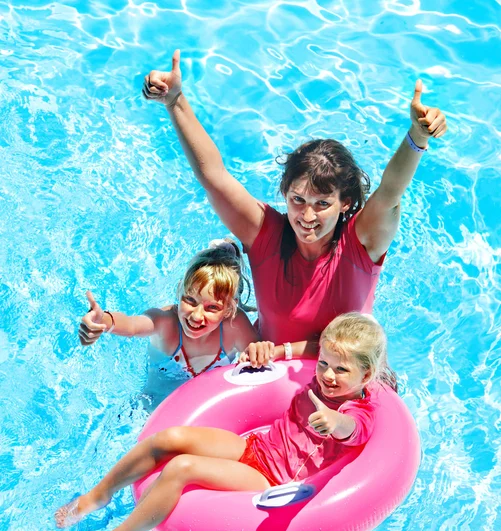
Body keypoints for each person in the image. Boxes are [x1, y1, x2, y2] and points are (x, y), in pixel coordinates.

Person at [142, 50, 447, 359]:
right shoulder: (266, 234)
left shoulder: (361, 242)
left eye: (322, 203)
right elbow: (214, 177)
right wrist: (175, 102)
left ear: (346, 203)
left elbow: (391, 191)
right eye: (297, 200)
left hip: (340, 376)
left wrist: (417, 136)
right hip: (269, 369)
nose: (307, 216)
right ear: (285, 193)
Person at [56, 312, 395, 531]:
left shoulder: (357, 409)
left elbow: (353, 428)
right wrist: (276, 350)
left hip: (272, 479)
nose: (328, 375)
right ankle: (97, 495)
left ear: (366, 375)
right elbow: (308, 351)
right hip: (257, 447)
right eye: (324, 363)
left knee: (182, 467)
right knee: (172, 438)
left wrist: (336, 422)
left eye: (341, 370)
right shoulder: (319, 377)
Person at [79, 239, 259, 404]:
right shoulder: (165, 323)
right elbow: (132, 325)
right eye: (190, 300)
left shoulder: (235, 326)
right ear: (179, 290)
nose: (196, 316)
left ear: (229, 309)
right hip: (155, 404)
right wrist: (102, 320)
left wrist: (259, 353)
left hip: (206, 408)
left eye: (212, 308)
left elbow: (261, 358)